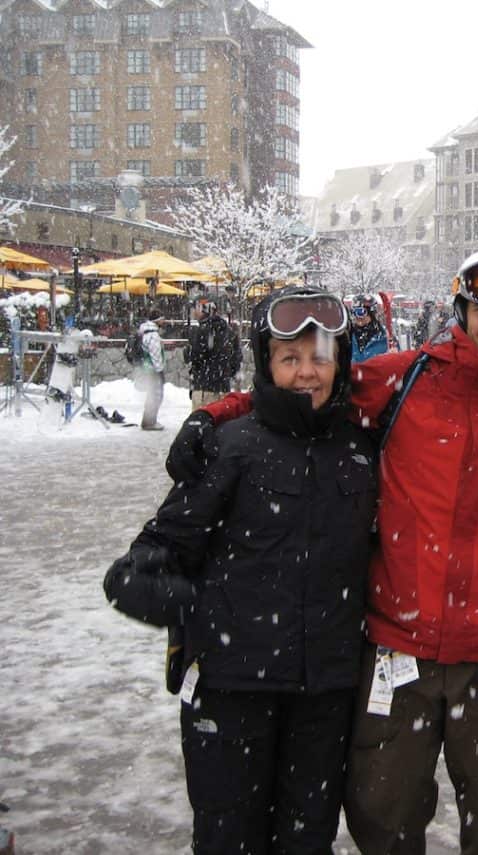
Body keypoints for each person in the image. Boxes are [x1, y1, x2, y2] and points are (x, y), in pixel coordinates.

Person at [166, 247, 478, 855]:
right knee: (382, 812)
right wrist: (214, 413)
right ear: (462, 311)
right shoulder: (406, 378)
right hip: (397, 645)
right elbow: (305, 388)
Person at [104, 287, 377, 853]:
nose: (307, 372)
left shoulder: (360, 449)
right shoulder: (232, 448)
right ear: (267, 364)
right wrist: (200, 609)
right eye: (290, 358)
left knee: (307, 841)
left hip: (323, 696)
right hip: (233, 695)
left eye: (320, 356)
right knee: (230, 840)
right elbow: (137, 570)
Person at [184, 299, 241, 407]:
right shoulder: (228, 330)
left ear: (204, 309)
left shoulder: (203, 330)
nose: (194, 312)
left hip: (204, 388)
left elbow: (195, 356)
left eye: (196, 308)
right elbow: (236, 357)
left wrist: (188, 352)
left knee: (203, 421)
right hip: (223, 387)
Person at [138, 307, 166, 430]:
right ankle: (150, 422)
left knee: (151, 395)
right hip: (153, 370)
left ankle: (148, 420)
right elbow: (156, 355)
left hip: (147, 368)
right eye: (162, 319)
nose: (163, 322)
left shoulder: (144, 332)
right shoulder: (153, 335)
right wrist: (160, 371)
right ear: (157, 320)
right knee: (156, 395)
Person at [349, 293, 390, 362]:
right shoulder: (347, 338)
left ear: (371, 313)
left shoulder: (385, 339)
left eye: (360, 312)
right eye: (353, 312)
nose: (357, 316)